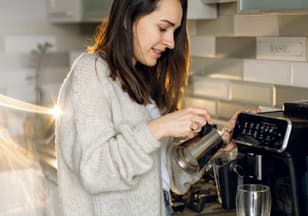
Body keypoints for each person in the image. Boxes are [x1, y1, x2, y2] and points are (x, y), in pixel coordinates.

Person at [55, 0, 238, 215]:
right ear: (128, 18)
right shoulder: (91, 71)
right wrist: (158, 128)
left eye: (175, 31)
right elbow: (95, 171)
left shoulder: (142, 79)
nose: (170, 41)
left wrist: (214, 144)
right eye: (162, 28)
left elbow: (164, 176)